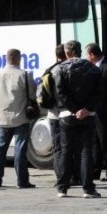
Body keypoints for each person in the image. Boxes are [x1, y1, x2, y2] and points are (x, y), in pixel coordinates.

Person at [54, 40, 102, 198]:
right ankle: (88, 188)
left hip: (67, 115)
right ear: (81, 51)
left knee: (66, 151)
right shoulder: (93, 68)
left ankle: (62, 187)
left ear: (67, 53)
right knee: (86, 150)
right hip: (88, 115)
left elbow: (61, 93)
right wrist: (86, 109)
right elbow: (99, 93)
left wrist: (74, 110)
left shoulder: (60, 68)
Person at [0, 48, 37, 188]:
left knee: (0, 149)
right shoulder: (24, 75)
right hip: (20, 117)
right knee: (20, 149)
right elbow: (32, 96)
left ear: (6, 58)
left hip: (2, 118)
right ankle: (22, 181)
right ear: (19, 58)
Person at [85, 43, 107, 182]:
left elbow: (105, 91)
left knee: (106, 142)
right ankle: (95, 171)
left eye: (87, 55)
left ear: (92, 54)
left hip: (104, 111)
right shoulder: (95, 67)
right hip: (95, 111)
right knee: (95, 143)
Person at [39, 44, 66, 180]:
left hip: (53, 113)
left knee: (57, 147)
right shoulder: (68, 69)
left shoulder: (49, 70)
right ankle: (72, 175)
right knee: (69, 146)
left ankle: (60, 176)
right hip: (66, 112)